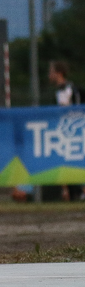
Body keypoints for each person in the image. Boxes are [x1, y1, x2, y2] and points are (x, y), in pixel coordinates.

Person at [48, 61, 81, 201]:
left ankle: (76, 192)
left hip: (70, 131)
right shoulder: (63, 88)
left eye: (51, 72)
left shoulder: (65, 88)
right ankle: (72, 193)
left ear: (59, 73)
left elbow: (64, 111)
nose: (49, 75)